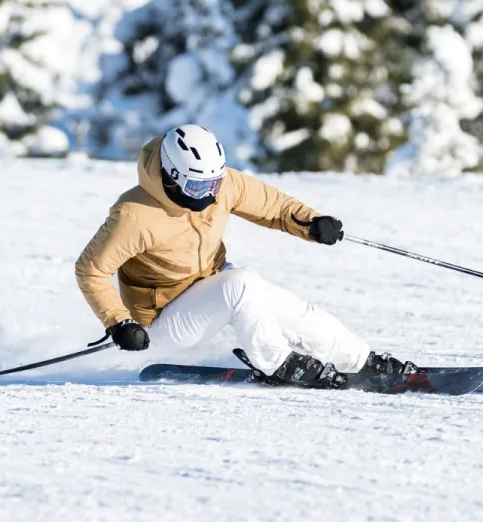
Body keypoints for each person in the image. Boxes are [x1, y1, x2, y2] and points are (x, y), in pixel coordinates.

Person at [74, 124, 411, 389]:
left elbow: (274, 207)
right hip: (162, 325)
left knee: (296, 311)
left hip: (211, 292)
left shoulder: (222, 185)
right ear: (173, 177)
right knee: (243, 284)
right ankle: (276, 363)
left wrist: (311, 223)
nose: (208, 196)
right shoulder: (134, 215)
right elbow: (90, 270)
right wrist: (119, 323)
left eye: (214, 185)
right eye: (197, 189)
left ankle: (362, 362)